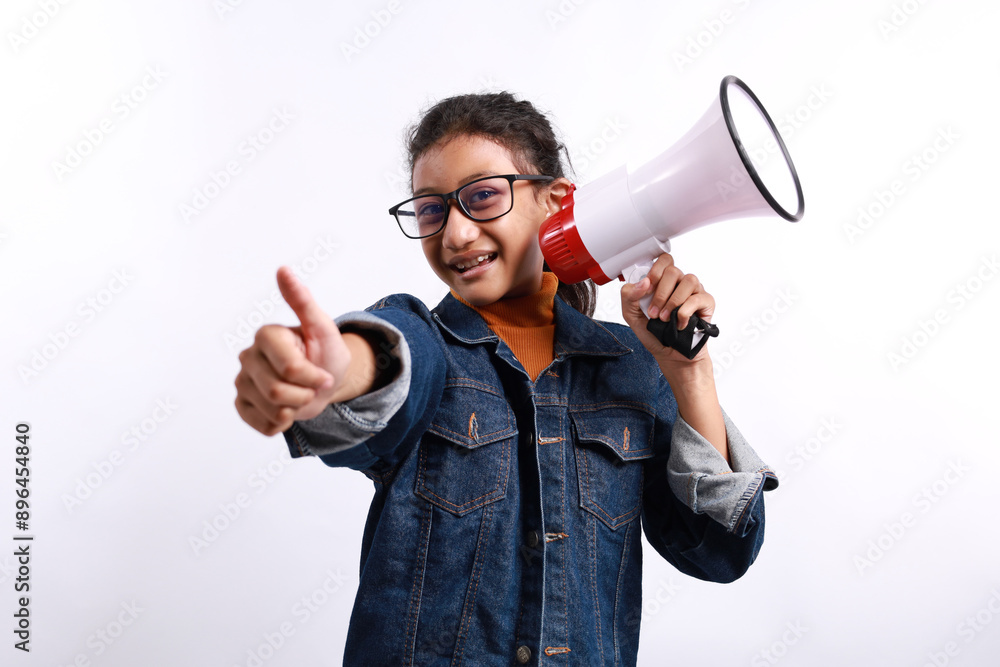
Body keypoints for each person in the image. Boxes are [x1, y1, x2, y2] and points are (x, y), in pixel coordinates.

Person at [234, 91, 778, 666]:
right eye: (431, 210)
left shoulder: (632, 367)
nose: (455, 235)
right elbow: (390, 360)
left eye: (482, 197)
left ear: (556, 202)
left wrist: (688, 372)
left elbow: (719, 553)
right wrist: (334, 370)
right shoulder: (427, 341)